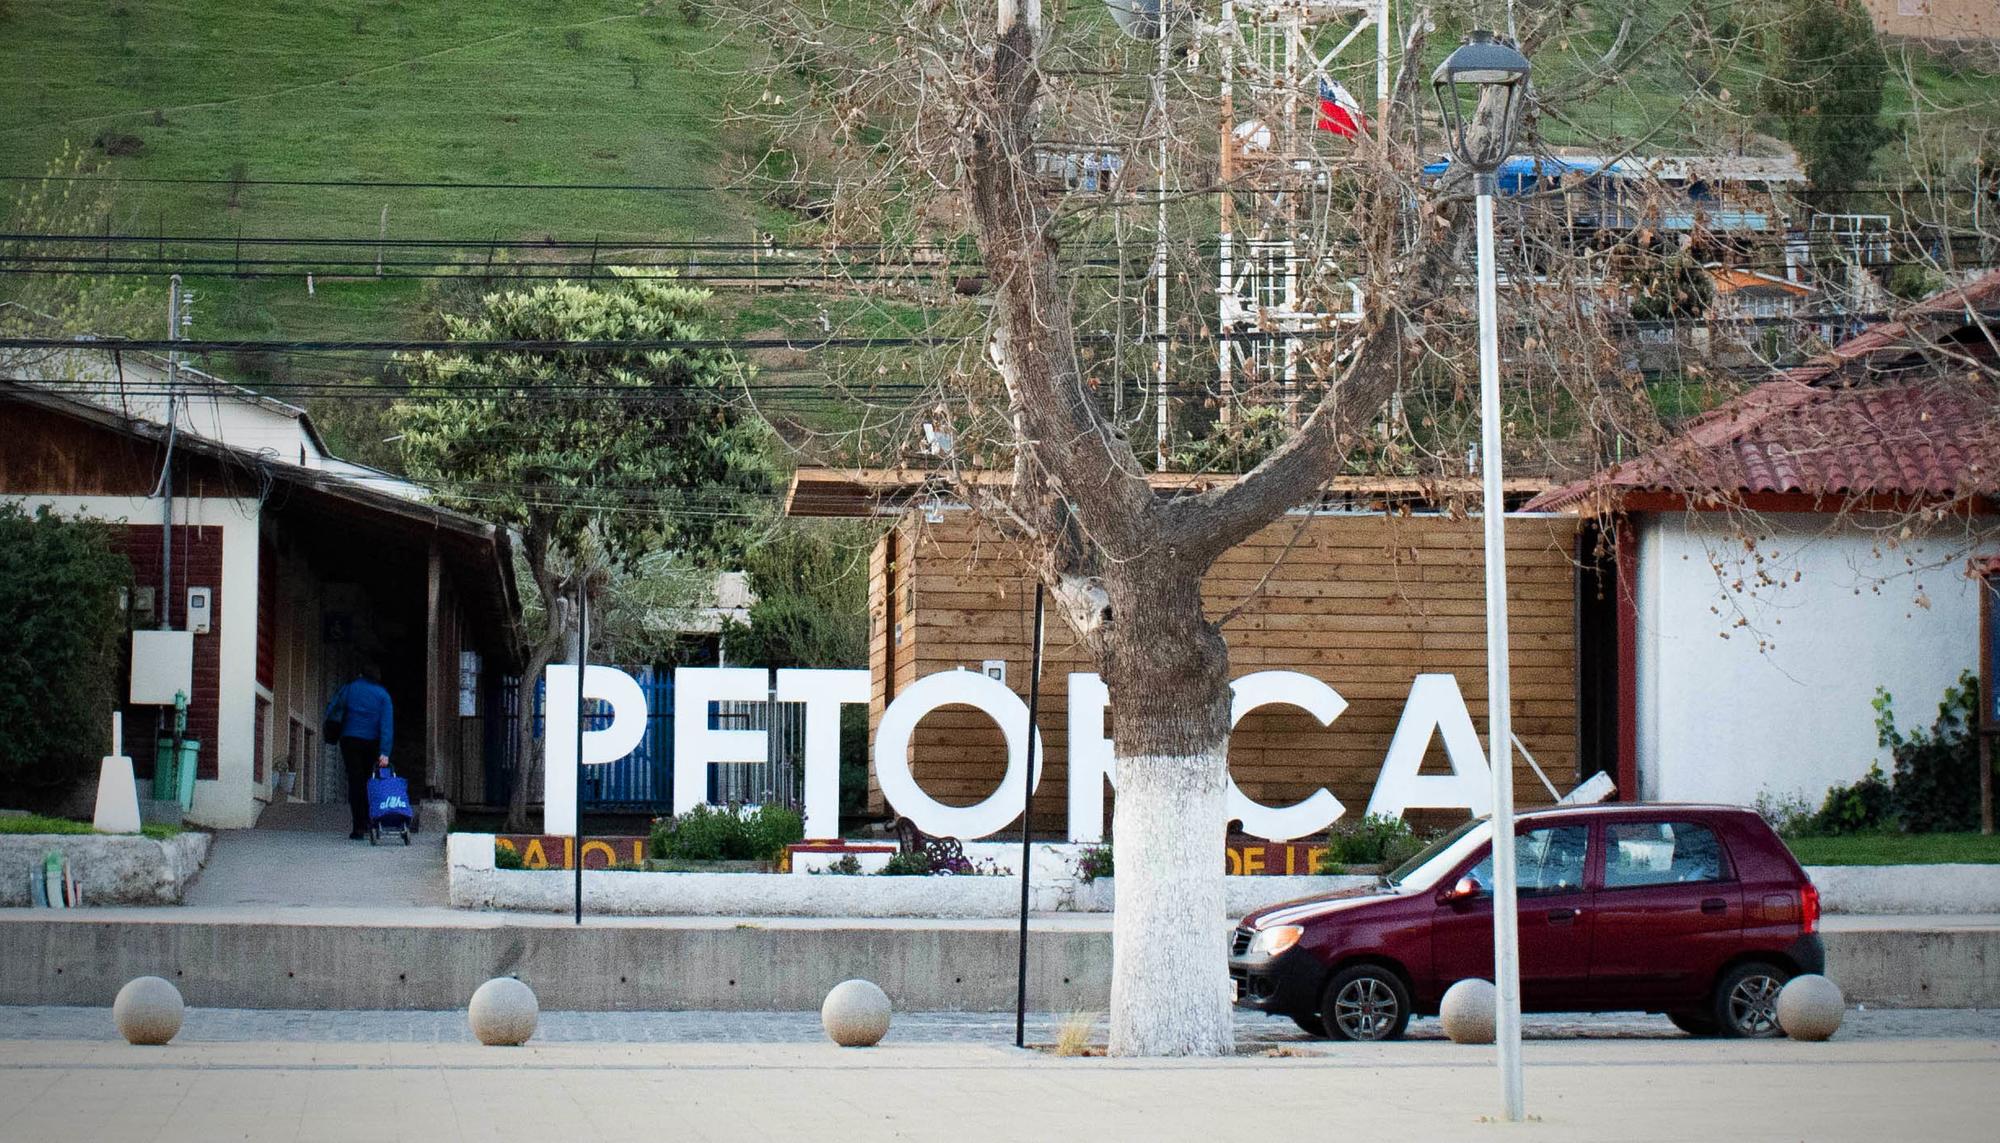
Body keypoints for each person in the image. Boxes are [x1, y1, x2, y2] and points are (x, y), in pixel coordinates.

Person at [323, 663, 395, 840]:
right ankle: (372, 821)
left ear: (361, 673)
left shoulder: (349, 689)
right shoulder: (383, 695)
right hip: (372, 742)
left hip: (349, 740)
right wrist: (385, 752)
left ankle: (358, 827)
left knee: (355, 782)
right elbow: (387, 725)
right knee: (369, 780)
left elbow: (332, 709)